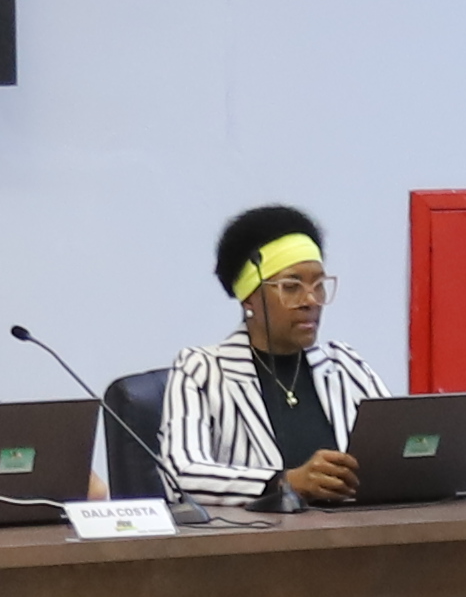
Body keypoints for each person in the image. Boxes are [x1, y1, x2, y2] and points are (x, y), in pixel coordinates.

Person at [156, 204, 392, 510]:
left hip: (354, 539)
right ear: (249, 297)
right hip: (256, 550)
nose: (311, 300)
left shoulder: (344, 364)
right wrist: (286, 483)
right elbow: (181, 475)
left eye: (319, 285)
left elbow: (397, 450)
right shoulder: (202, 370)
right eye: (292, 286)